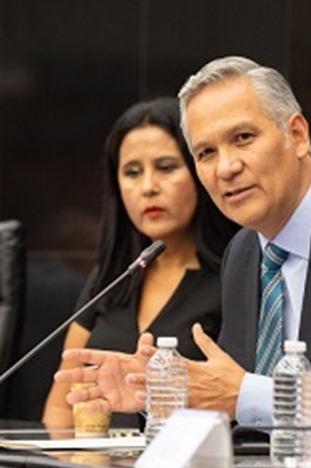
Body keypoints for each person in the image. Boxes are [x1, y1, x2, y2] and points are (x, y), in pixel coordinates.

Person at [57, 57, 311, 452]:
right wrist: (163, 394)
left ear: (298, 135)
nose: (226, 168)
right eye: (206, 153)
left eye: (243, 138)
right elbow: (234, 409)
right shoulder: (245, 252)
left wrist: (248, 395)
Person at [42, 98, 238, 430]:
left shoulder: (236, 278)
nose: (148, 187)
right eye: (132, 172)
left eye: (166, 167)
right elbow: (60, 408)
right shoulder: (113, 278)